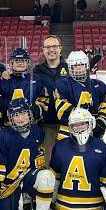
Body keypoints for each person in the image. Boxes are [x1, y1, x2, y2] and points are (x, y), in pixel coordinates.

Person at [0, 98, 55, 210]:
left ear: (29, 114)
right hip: (9, 183)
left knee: (46, 177)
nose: (20, 118)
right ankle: (13, 206)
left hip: (27, 176)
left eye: (23, 113)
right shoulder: (3, 136)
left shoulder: (37, 131)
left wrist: (38, 157)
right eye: (15, 115)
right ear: (11, 118)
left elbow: (37, 151)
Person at [54, 50, 106, 142]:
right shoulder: (62, 84)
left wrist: (100, 123)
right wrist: (85, 122)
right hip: (69, 131)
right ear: (70, 68)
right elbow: (62, 109)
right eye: (75, 66)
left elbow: (105, 107)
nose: (79, 69)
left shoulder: (100, 86)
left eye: (81, 65)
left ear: (87, 66)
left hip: (93, 131)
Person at [33, 35, 69, 166]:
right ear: (43, 50)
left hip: (68, 124)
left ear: (60, 49)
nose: (51, 49)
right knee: (47, 162)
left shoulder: (70, 68)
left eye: (54, 46)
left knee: (67, 160)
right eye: (48, 47)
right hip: (46, 124)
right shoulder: (37, 71)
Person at [0, 47, 48, 127]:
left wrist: (36, 110)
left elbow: (45, 100)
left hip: (32, 125)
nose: (20, 63)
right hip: (9, 126)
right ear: (11, 63)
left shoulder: (37, 79)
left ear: (28, 63)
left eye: (23, 61)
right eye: (17, 61)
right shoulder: (4, 80)